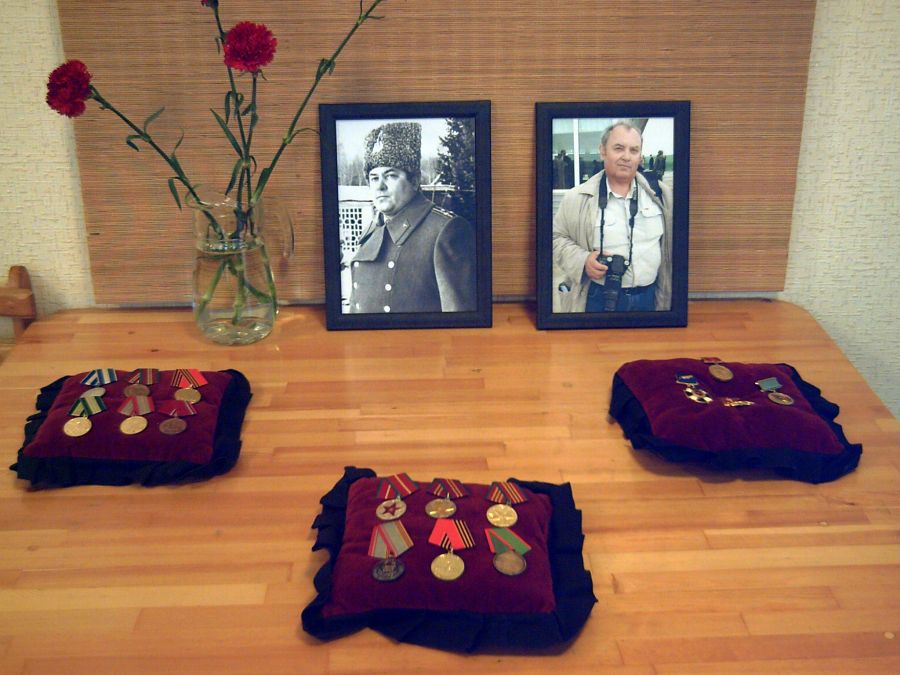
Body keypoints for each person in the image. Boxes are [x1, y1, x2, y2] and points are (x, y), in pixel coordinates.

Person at [347, 121, 476, 314]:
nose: (380, 186)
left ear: (414, 181)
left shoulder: (446, 231)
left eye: (390, 176)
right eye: (374, 178)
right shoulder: (372, 230)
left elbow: (459, 319)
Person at [552, 121, 673, 312]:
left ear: (640, 156)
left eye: (634, 150)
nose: (626, 156)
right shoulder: (576, 198)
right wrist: (583, 260)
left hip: (650, 299)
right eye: (619, 148)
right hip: (595, 298)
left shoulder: (662, 195)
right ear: (602, 151)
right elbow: (555, 239)